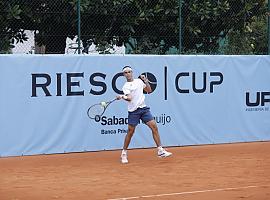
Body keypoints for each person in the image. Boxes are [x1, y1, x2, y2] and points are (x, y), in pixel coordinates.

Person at [116, 65, 172, 164]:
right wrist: (122, 96)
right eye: (126, 72)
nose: (128, 74)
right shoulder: (126, 86)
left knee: (154, 126)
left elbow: (149, 90)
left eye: (129, 72)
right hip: (134, 111)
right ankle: (124, 153)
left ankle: (160, 150)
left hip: (144, 109)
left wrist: (145, 80)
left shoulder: (139, 81)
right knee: (130, 132)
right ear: (124, 75)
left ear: (132, 72)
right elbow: (129, 98)